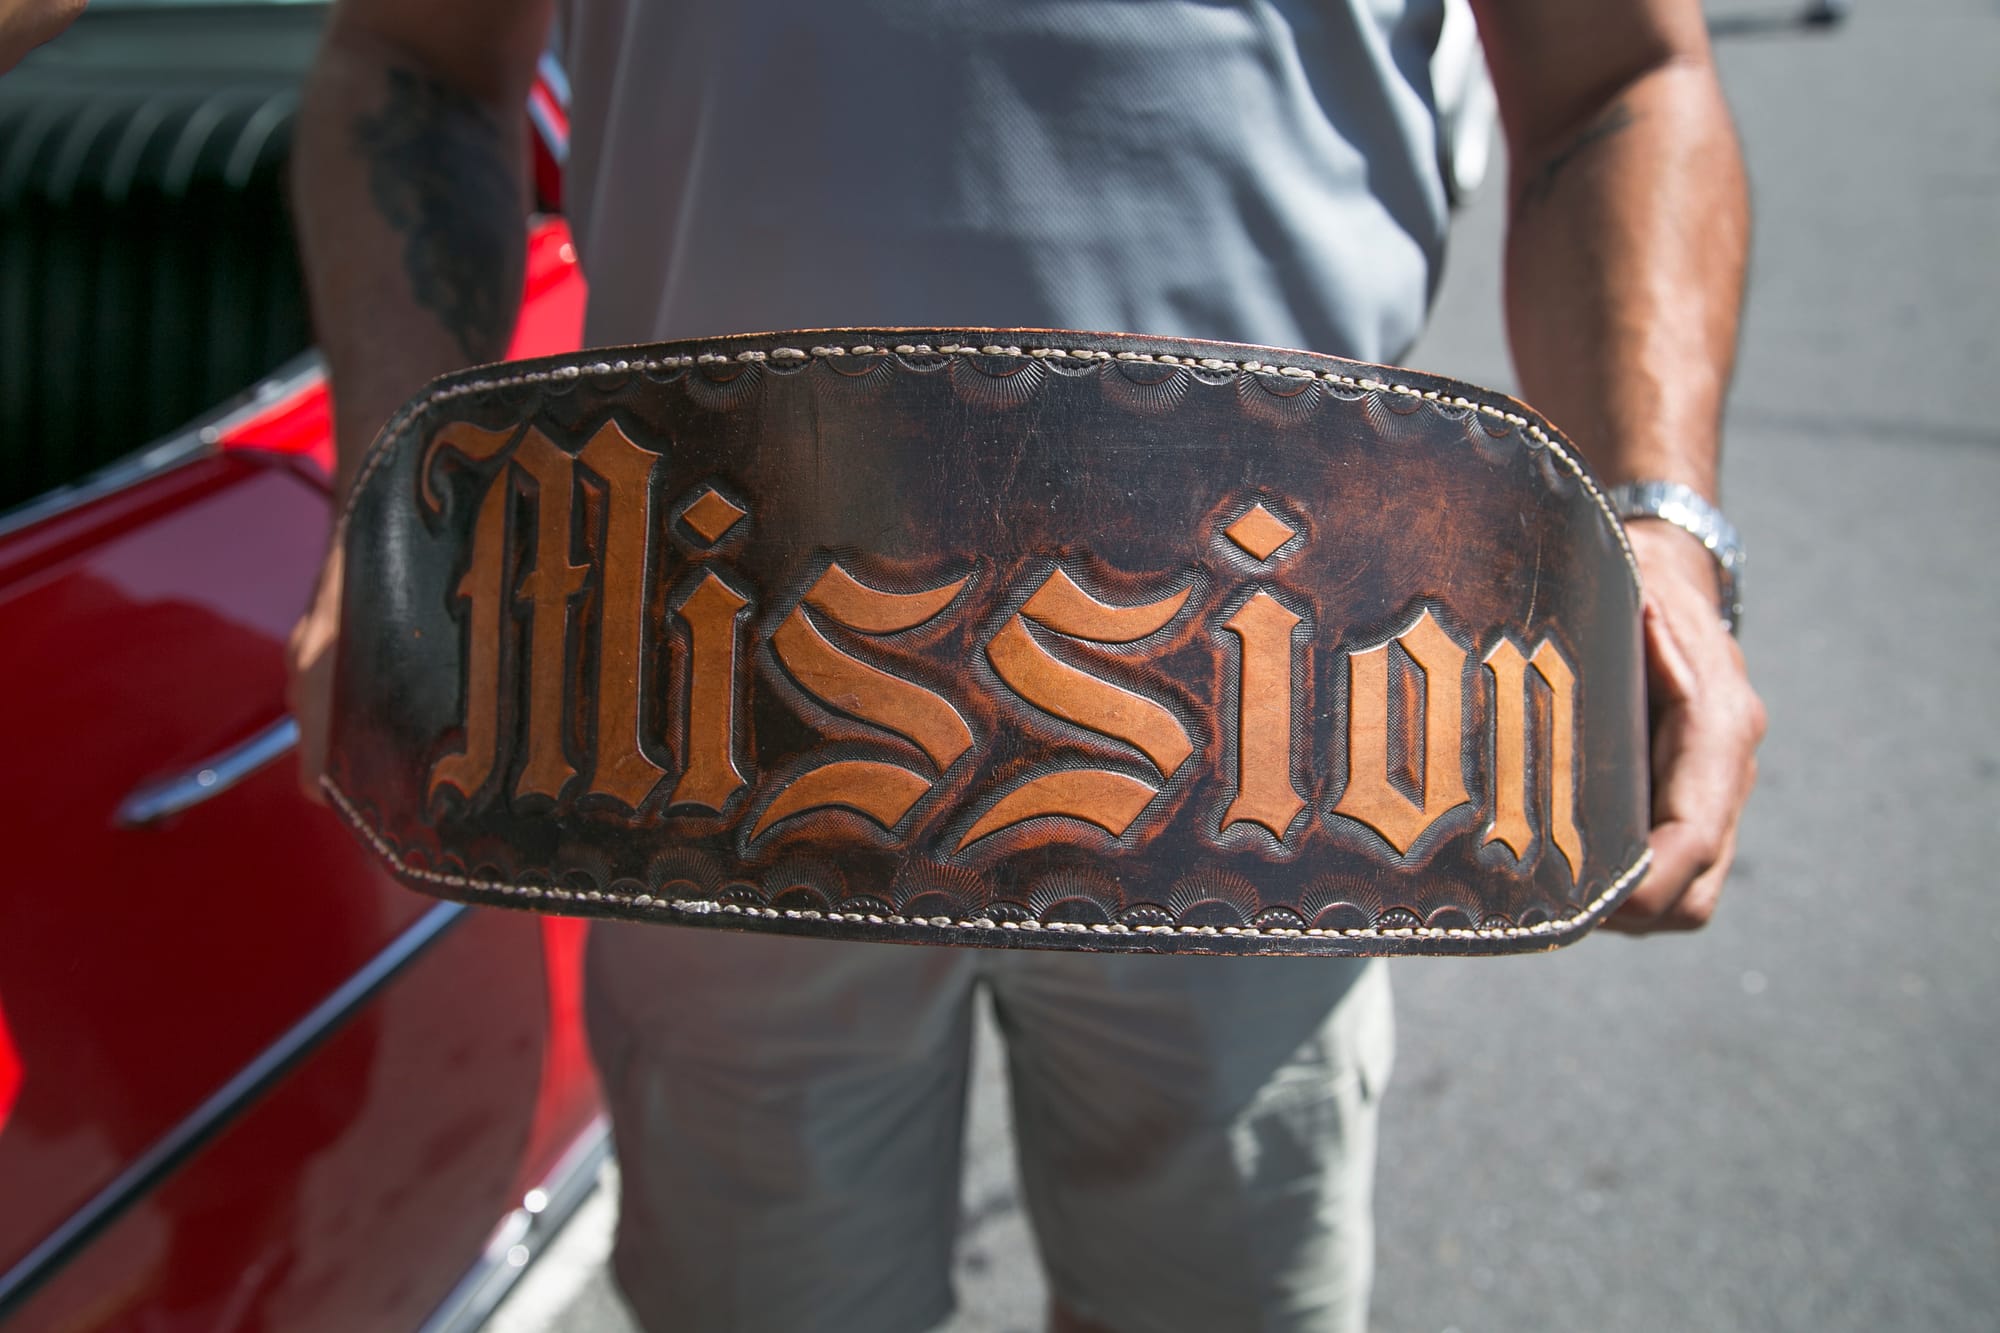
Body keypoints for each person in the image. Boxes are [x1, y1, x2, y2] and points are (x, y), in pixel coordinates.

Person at [287, 2, 1766, 1330]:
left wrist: (1660, 527)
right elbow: (416, 62)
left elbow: (1620, 78)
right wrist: (404, 498)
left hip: (1282, 755)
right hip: (703, 722)